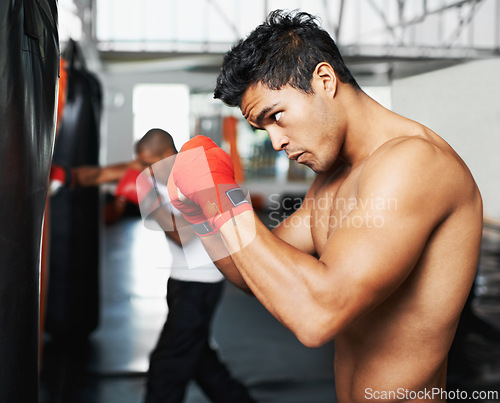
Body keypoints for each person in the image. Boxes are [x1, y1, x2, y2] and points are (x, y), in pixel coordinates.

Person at [166, 10, 484, 403]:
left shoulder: (414, 163)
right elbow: (254, 274)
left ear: (324, 80)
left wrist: (222, 205)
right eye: (264, 129)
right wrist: (203, 212)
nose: (277, 142)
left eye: (276, 116)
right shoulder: (334, 179)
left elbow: (318, 315)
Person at [51, 128, 255, 403]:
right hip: (180, 282)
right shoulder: (147, 170)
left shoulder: (194, 180)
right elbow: (98, 175)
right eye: (141, 162)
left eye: (148, 163)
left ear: (168, 156)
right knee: (198, 358)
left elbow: (183, 235)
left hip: (202, 285)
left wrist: (149, 200)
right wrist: (61, 175)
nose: (142, 169)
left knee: (167, 363)